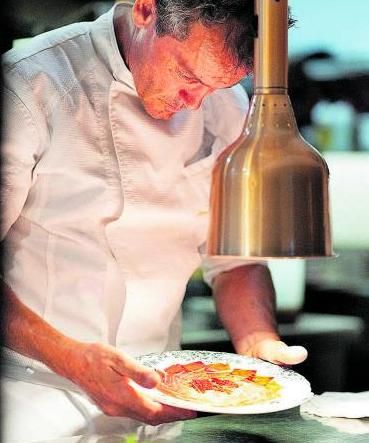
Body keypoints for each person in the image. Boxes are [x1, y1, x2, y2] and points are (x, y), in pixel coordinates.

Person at [1, 0, 307, 441]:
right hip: (34, 399)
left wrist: (259, 344)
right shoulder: (28, 85)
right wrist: (71, 359)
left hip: (164, 399)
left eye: (217, 86)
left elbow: (234, 261)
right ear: (146, 9)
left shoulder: (227, 105)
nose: (195, 103)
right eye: (188, 76)